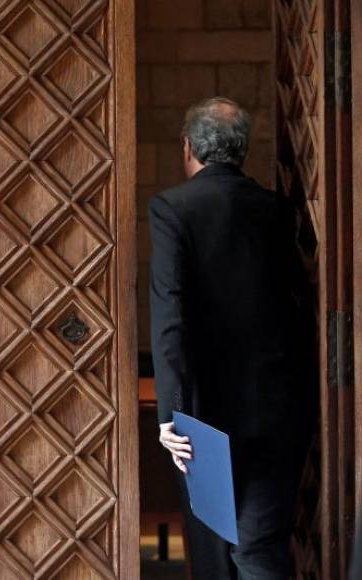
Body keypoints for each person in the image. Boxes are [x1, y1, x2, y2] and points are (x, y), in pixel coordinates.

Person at [148, 97, 318, 579]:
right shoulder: (277, 210)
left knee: (214, 554)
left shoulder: (172, 210)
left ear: (187, 148)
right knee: (259, 549)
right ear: (243, 151)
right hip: (278, 407)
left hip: (205, 417)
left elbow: (170, 319)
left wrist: (171, 413)